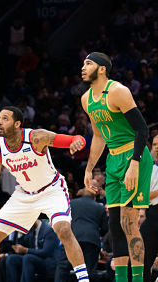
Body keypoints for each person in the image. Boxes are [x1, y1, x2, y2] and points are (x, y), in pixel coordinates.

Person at [0, 106, 89, 282]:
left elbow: (74, 138)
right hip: (24, 195)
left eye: (5, 119)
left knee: (63, 230)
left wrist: (78, 141)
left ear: (17, 124)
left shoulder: (36, 137)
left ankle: (84, 280)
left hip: (51, 190)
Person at [80, 52, 154, 282]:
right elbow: (99, 137)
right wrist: (89, 168)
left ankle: (139, 279)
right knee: (115, 224)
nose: (83, 67)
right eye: (83, 63)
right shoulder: (86, 99)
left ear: (102, 69)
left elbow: (143, 130)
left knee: (129, 222)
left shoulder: (118, 91)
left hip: (135, 155)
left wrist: (134, 163)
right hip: (113, 159)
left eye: (88, 63)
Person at [58, 185, 107, 281]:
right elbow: (105, 229)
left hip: (72, 239)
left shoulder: (71, 203)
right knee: (89, 271)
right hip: (91, 240)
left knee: (63, 267)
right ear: (94, 196)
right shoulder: (99, 208)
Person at [140, 135, 158, 280]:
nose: (156, 147)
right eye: (154, 144)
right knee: (145, 259)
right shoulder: (149, 169)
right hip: (153, 214)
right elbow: (143, 196)